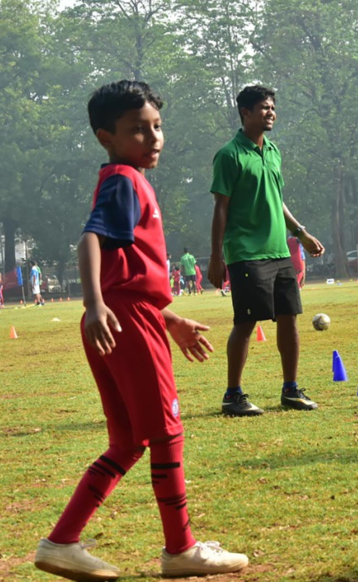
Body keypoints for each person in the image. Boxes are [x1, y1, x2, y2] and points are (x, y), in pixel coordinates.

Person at [34, 79, 247, 581]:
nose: (153, 138)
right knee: (166, 434)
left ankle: (62, 542)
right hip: (123, 321)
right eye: (137, 130)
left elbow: (124, 270)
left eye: (157, 126)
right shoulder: (124, 181)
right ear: (105, 136)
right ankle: (182, 550)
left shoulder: (125, 180)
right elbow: (89, 239)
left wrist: (168, 318)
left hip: (126, 317)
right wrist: (93, 303)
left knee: (128, 441)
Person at [208, 84, 325, 416]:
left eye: (272, 107)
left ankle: (290, 390)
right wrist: (217, 256)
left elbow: (277, 199)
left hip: (278, 250)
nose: (270, 112)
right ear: (245, 112)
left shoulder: (273, 151)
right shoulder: (229, 155)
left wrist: (300, 233)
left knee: (289, 318)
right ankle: (233, 395)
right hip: (246, 251)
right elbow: (220, 207)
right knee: (246, 322)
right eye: (263, 108)